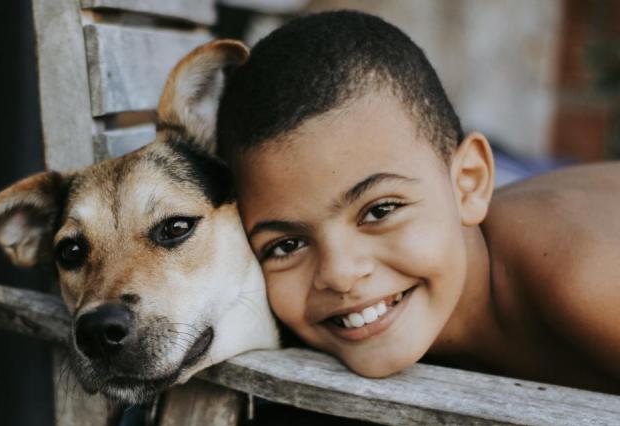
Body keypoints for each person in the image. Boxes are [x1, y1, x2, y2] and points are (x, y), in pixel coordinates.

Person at [215, 10, 620, 393]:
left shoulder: (585, 278)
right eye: (287, 245)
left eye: (380, 211)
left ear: (469, 183)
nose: (340, 274)